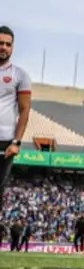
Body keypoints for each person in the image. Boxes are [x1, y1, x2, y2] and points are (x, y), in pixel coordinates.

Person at [0, 26, 32, 213]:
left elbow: (24, 109)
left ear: (12, 47)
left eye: (7, 44)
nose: (3, 47)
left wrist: (16, 142)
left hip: (5, 142)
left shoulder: (20, 75)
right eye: (0, 43)